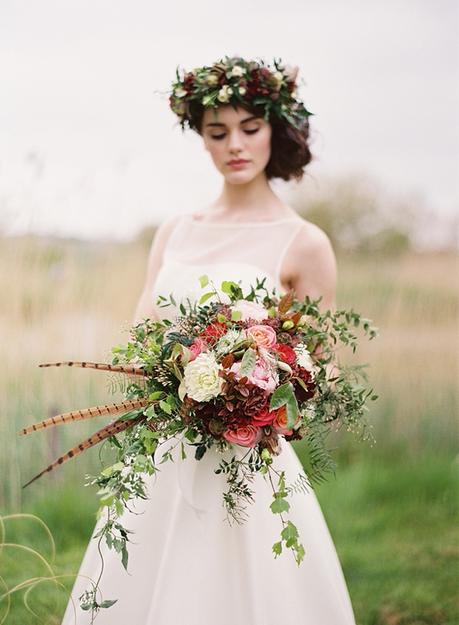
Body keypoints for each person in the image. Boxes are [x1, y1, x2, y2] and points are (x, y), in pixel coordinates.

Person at [61, 55, 356, 625]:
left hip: (250, 458)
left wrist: (252, 394)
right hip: (163, 449)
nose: (235, 146)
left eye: (249, 129)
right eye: (217, 133)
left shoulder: (305, 242)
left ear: (276, 129)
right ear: (202, 140)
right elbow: (141, 337)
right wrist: (178, 377)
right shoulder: (176, 230)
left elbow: (323, 367)